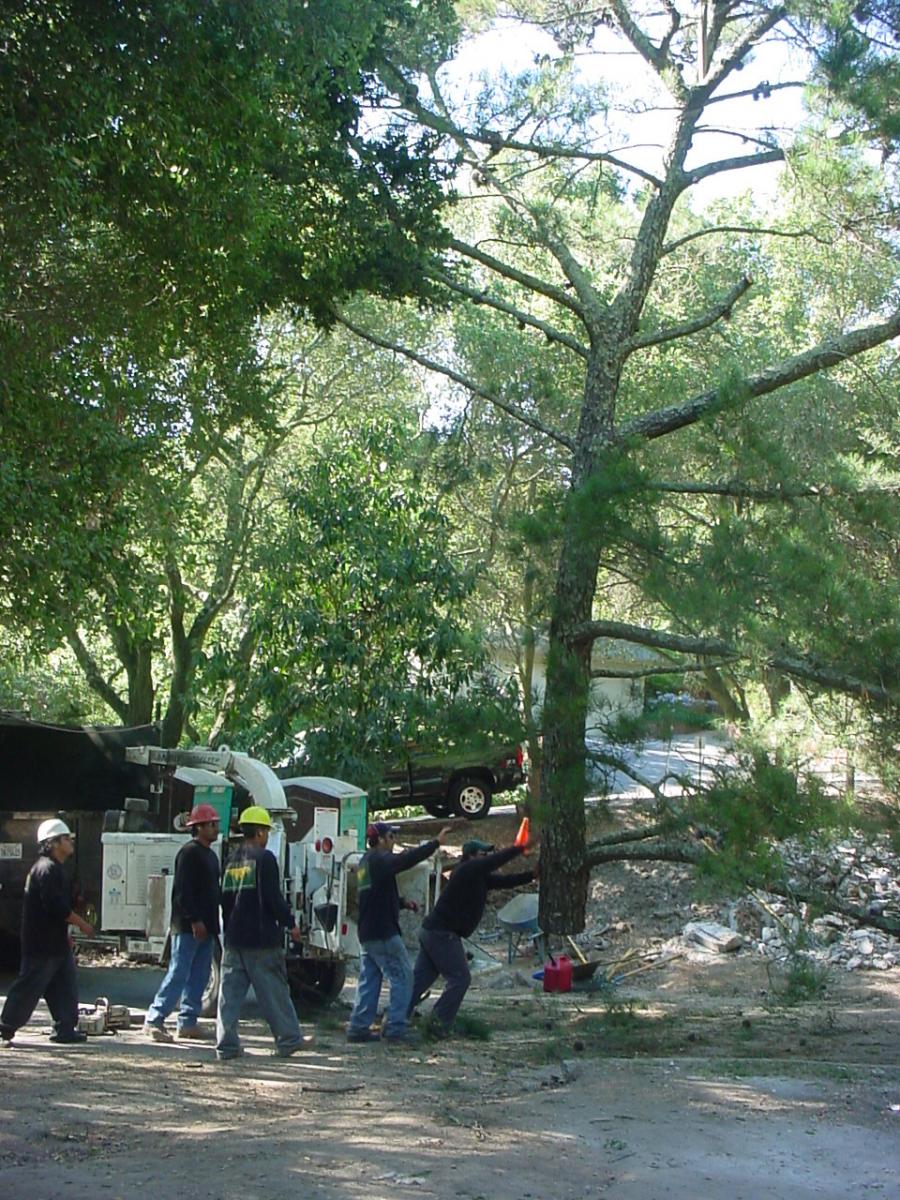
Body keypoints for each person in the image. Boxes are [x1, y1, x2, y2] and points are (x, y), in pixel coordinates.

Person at [409, 836, 536, 1035]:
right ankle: (437, 1024)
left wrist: (532, 875)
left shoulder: (479, 877)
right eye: (483, 854)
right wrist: (518, 848)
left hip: (434, 931)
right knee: (460, 978)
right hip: (442, 933)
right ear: (470, 856)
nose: (487, 857)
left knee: (420, 981)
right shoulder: (467, 870)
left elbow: (506, 881)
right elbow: (494, 862)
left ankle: (396, 1016)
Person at [216, 805, 310, 1061]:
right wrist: (291, 923)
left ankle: (226, 1046)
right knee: (274, 992)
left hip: (234, 939)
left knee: (230, 997)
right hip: (261, 939)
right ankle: (289, 1040)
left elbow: (224, 900)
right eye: (266, 831)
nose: (267, 836)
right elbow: (273, 898)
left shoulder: (231, 861)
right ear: (259, 832)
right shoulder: (265, 859)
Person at [346, 820, 451, 1044]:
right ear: (381, 840)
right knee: (403, 976)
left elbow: (373, 895)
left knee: (370, 980)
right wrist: (435, 843)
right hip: (384, 932)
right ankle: (396, 1028)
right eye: (391, 837)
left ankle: (358, 1027)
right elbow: (405, 861)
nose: (394, 842)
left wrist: (402, 903)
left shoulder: (366, 862)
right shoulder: (380, 859)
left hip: (367, 932)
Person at [0, 819, 95, 1047]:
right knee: (30, 985)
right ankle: (5, 1026)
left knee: (64, 984)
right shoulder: (47, 869)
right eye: (66, 838)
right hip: (41, 943)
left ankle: (64, 1028)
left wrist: (66, 934)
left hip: (55, 941)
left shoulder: (54, 868)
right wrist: (82, 924)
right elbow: (57, 908)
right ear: (53, 843)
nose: (71, 842)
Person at [143, 803, 222, 1043]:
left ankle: (188, 1022)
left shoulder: (210, 855)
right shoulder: (188, 853)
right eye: (211, 824)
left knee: (199, 975)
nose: (216, 828)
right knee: (179, 972)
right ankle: (154, 1020)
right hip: (188, 927)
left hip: (207, 928)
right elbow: (183, 893)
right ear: (198, 827)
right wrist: (195, 920)